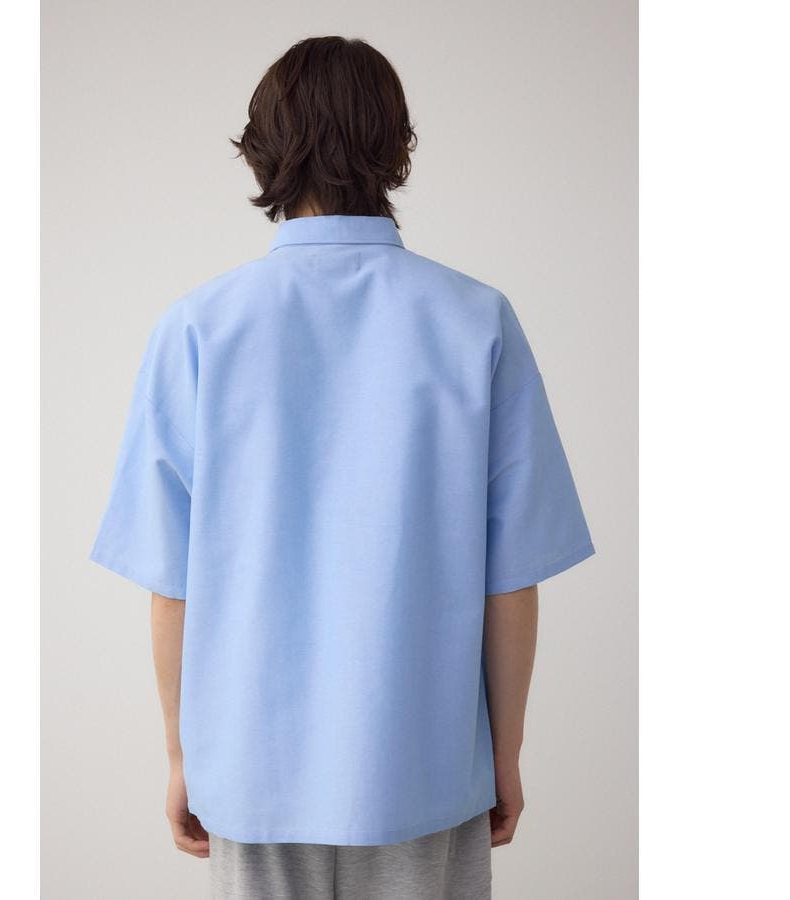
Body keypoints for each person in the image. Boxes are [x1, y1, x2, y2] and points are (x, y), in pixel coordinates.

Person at [89, 35, 595, 899]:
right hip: (424, 766)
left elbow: (173, 585)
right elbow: (510, 580)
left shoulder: (199, 327)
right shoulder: (476, 321)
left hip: (250, 769)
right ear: (396, 143)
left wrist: (182, 756)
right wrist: (502, 756)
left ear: (263, 147)